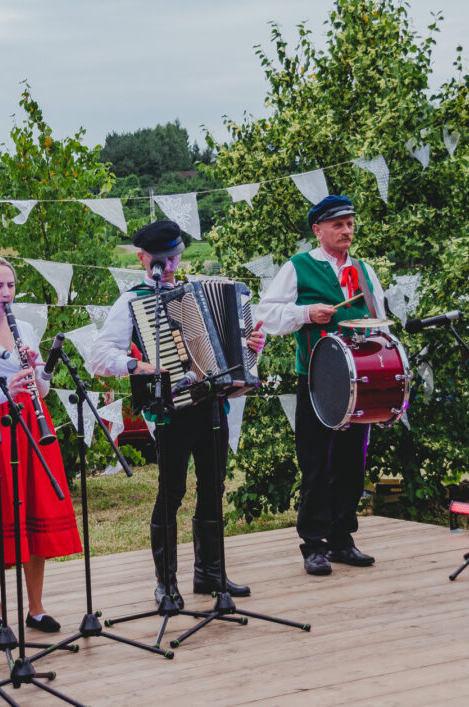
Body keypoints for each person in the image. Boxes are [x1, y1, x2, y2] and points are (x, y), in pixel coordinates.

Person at [86, 220, 265, 607]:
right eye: (162, 259)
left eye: (175, 257)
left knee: (213, 488)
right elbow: (98, 357)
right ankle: (166, 583)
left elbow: (232, 352)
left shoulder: (197, 292)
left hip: (212, 405)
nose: (169, 266)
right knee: (172, 492)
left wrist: (252, 347)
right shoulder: (132, 301)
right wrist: (138, 366)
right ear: (143, 259)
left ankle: (210, 574)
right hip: (171, 410)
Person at [0, 256, 81, 636]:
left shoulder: (25, 327)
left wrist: (38, 371)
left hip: (28, 425)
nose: (7, 293)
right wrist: (4, 390)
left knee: (33, 511)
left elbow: (42, 389)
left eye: (10, 286)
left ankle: (36, 608)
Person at [257, 195, 385, 577]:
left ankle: (342, 539)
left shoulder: (363, 269)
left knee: (352, 464)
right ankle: (313, 545)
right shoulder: (298, 267)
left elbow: (379, 317)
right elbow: (267, 315)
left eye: (350, 224)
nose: (347, 231)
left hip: (358, 380)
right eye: (338, 225)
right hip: (317, 378)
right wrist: (305, 313)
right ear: (318, 230)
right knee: (316, 463)